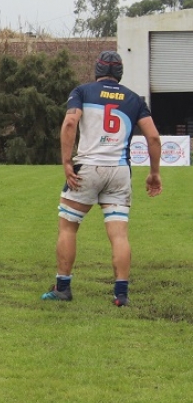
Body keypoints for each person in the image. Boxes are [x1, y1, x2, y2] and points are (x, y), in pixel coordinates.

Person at [41, 51, 162, 306]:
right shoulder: (134, 99)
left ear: (97, 70)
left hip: (88, 168)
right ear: (120, 73)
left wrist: (65, 161)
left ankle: (62, 287)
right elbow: (153, 137)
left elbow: (70, 123)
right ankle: (121, 295)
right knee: (119, 235)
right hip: (119, 171)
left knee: (68, 226)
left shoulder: (82, 92)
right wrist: (154, 173)